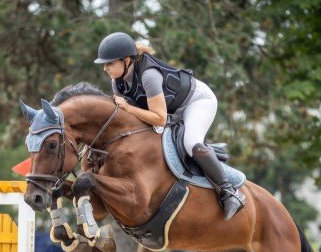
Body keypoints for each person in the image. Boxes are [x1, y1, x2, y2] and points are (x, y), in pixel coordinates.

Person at [95, 32, 245, 220]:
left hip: (196, 101)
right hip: (169, 110)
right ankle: (208, 156)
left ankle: (229, 192)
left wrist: (127, 108)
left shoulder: (149, 75)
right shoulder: (118, 81)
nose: (105, 69)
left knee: (191, 143)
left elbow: (159, 119)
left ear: (126, 60)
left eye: (109, 63)